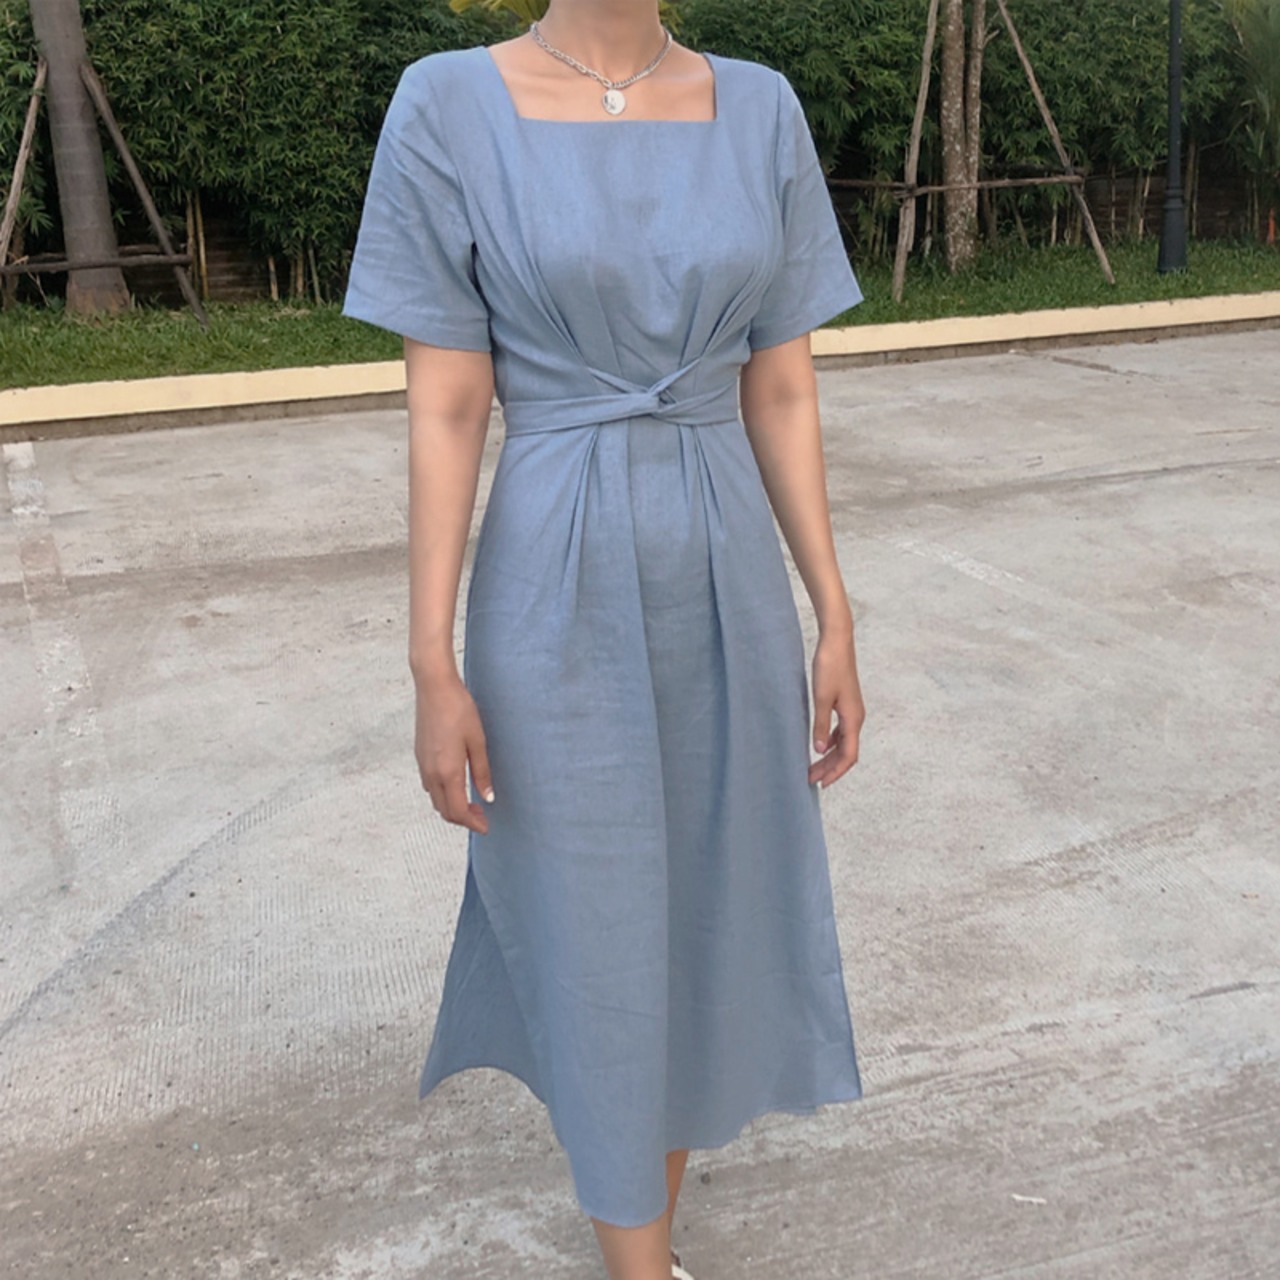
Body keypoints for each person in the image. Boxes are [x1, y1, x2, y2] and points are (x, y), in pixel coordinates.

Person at [341, 3, 867, 1277]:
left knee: (705, 901)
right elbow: (448, 401)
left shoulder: (760, 107)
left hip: (725, 569)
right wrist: (429, 659)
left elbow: (780, 383)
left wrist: (832, 610)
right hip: (551, 573)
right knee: (593, 915)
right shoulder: (446, 104)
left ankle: (646, 1241)